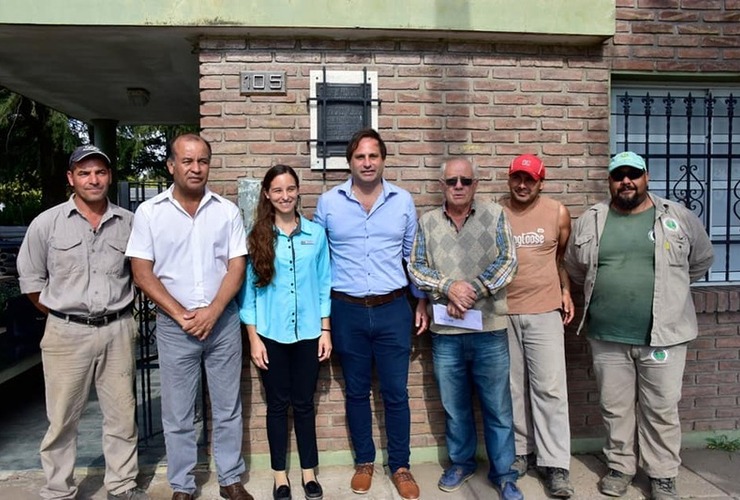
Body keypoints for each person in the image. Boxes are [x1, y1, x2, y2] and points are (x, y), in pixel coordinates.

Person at [564, 151, 714, 500]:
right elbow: (575, 265)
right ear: (610, 181)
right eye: (619, 176)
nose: (626, 181)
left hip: (664, 334)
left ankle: (662, 474)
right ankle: (620, 467)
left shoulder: (677, 216)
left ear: (646, 177)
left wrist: (668, 292)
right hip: (607, 335)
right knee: (614, 407)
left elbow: (701, 259)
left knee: (660, 408)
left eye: (634, 174)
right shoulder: (592, 219)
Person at [125, 134, 252, 500]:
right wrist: (182, 315)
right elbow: (142, 272)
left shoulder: (226, 211)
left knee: (227, 407)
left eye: (203, 161)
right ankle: (182, 484)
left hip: (223, 323)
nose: (196, 168)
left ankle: (230, 478)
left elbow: (236, 266)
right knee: (178, 413)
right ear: (171, 165)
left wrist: (212, 312)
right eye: (187, 161)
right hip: (173, 327)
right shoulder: (150, 213)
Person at [16, 145, 147, 500]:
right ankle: (59, 489)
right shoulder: (47, 224)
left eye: (100, 172)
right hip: (65, 332)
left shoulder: (129, 223)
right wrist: (63, 315)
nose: (94, 179)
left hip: (117, 328)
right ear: (71, 178)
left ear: (110, 176)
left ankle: (121, 485)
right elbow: (30, 281)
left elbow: (142, 273)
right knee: (62, 418)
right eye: (85, 173)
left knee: (122, 415)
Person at [313, 128, 429, 500]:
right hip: (346, 310)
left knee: (396, 392)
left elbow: (413, 258)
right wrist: (322, 320)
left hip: (393, 308)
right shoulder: (328, 203)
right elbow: (319, 262)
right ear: (350, 161)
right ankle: (364, 461)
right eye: (360, 157)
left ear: (383, 160)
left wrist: (422, 299)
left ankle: (400, 465)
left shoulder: (403, 201)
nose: (367, 163)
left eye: (373, 156)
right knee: (357, 392)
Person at [407, 157, 523, 500]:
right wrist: (448, 287)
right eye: (452, 181)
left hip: (489, 329)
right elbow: (416, 267)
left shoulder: (495, 215)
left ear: (476, 184)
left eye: (466, 181)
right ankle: (462, 463)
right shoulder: (427, 222)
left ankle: (505, 474)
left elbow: (508, 261)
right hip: (446, 333)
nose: (459, 186)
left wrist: (471, 289)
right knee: (454, 406)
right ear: (442, 185)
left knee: (498, 407)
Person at [236, 165, 332, 500]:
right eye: (277, 190)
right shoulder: (257, 236)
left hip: (308, 333)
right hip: (270, 336)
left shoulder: (315, 235)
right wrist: (253, 338)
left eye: (290, 189)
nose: (285, 196)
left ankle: (309, 472)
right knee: (277, 406)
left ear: (298, 190)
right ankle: (280, 476)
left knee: (304, 405)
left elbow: (324, 284)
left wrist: (325, 330)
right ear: (266, 194)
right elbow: (248, 293)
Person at [500, 154, 575, 497]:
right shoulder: (494, 212)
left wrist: (565, 290)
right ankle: (520, 453)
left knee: (550, 389)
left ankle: (555, 463)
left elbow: (559, 257)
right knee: (512, 388)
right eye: (517, 178)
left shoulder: (557, 212)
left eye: (529, 179)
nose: (522, 185)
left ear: (541, 182)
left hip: (545, 311)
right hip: (504, 312)